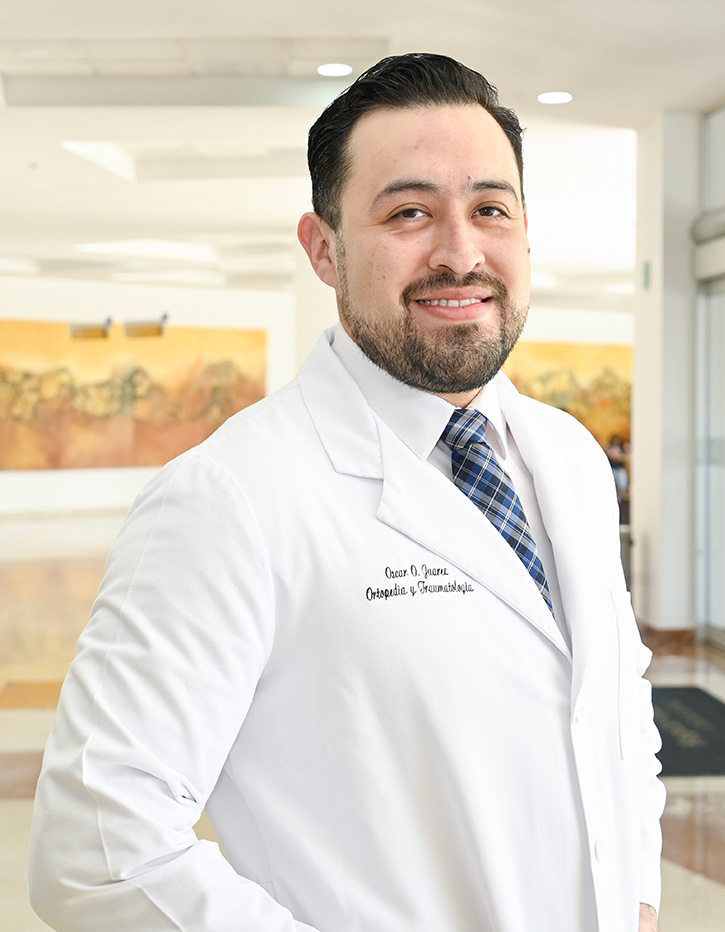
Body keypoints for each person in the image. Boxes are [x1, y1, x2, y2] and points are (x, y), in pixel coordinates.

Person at [29, 53, 665, 932]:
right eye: (409, 212)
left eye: (490, 209)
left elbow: (619, 701)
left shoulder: (568, 456)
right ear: (323, 250)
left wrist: (636, 896)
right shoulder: (230, 498)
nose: (459, 251)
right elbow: (95, 851)